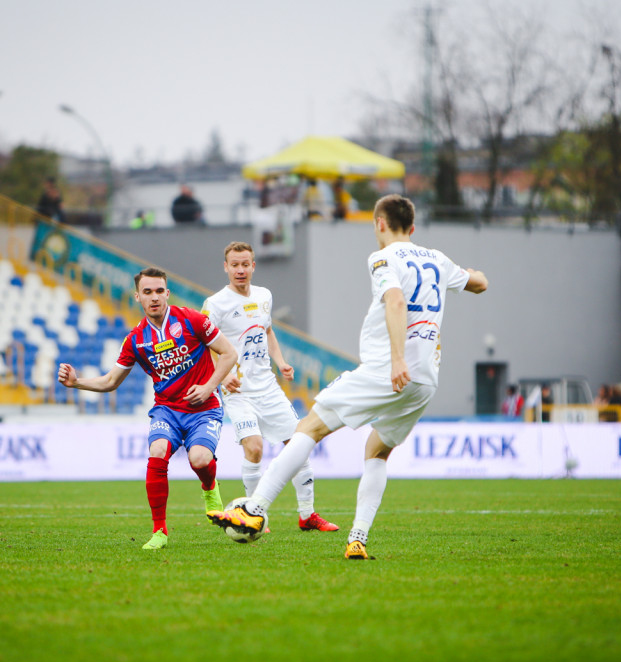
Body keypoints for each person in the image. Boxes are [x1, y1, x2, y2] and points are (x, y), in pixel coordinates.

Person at [207, 194, 488, 559]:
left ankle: (255, 508)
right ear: (413, 228)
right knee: (377, 449)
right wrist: (472, 274)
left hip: (388, 370)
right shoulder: (437, 259)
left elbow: (396, 301)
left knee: (309, 428)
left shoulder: (383, 257)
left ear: (379, 224)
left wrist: (398, 359)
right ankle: (357, 538)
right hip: (425, 381)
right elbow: (478, 283)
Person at [58, 266, 238, 550]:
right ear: (137, 297)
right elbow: (110, 381)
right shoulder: (136, 340)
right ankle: (159, 531)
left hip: (204, 407)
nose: (154, 297)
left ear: (167, 293)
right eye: (147, 292)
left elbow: (229, 353)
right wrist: (76, 382)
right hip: (166, 409)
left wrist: (208, 387)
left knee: (200, 459)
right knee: (157, 452)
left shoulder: (193, 320)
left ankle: (209, 488)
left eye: (158, 291)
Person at [202, 241, 339, 532]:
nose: (240, 270)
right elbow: (203, 344)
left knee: (299, 445)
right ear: (226, 267)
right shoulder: (215, 304)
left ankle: (307, 515)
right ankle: (254, 515)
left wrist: (281, 361)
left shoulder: (264, 296)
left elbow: (267, 331)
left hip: (268, 387)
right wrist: (222, 375)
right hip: (237, 392)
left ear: (253, 265)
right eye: (234, 265)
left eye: (245, 264)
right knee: (254, 448)